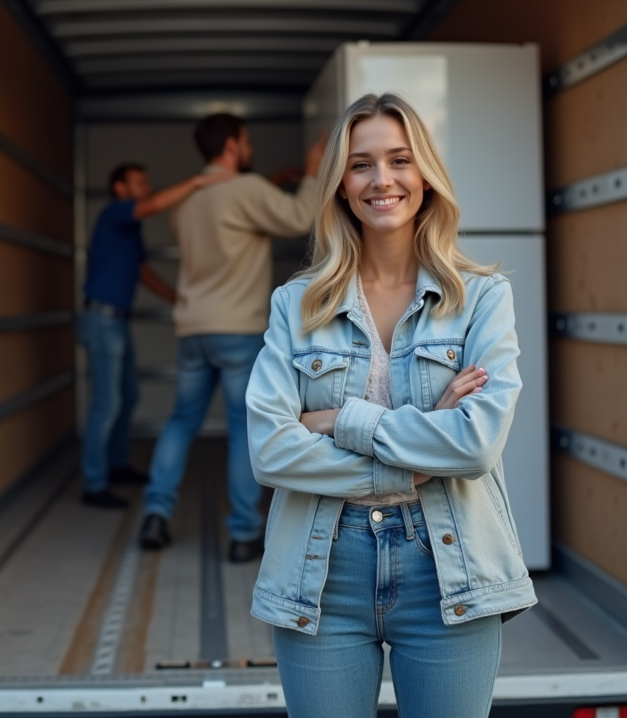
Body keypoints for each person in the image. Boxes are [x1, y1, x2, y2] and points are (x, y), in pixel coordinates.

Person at [244, 93, 536, 717]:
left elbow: (476, 444)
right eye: (361, 165)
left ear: (424, 176)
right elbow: (269, 450)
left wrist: (336, 421)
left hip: (448, 566)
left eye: (399, 160)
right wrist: (414, 456)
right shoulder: (296, 305)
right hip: (322, 572)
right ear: (340, 187)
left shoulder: (482, 298)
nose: (382, 180)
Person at [138, 114, 325, 563]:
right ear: (231, 146)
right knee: (244, 429)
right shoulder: (248, 189)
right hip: (236, 330)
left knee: (182, 420)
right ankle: (243, 534)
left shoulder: (188, 202)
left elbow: (235, 216)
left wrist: (270, 184)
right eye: (246, 142)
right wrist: (314, 172)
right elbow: (300, 216)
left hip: (192, 329)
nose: (251, 149)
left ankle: (155, 513)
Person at [79, 163, 232, 509]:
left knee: (128, 396)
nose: (147, 187)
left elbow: (142, 273)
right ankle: (94, 483)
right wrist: (195, 179)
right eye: (140, 182)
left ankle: (116, 466)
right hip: (101, 320)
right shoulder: (116, 212)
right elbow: (154, 205)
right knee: (107, 404)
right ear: (120, 188)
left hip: (116, 322)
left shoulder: (130, 228)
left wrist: (179, 299)